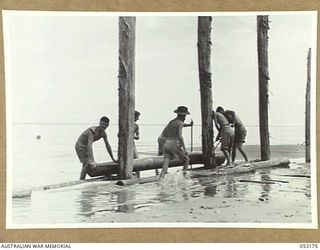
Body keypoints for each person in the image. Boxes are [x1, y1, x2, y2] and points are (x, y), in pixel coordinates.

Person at [159, 106, 190, 180]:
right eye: (185, 115)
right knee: (186, 159)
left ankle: (160, 181)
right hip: (174, 143)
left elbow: (165, 133)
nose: (185, 117)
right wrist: (185, 149)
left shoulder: (172, 122)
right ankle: (184, 178)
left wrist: (189, 125)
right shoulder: (180, 123)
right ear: (182, 115)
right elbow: (180, 136)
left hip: (167, 143)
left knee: (165, 165)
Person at [133, 111, 141, 178]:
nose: (138, 119)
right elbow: (119, 135)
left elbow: (138, 137)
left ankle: (138, 177)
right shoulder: (126, 124)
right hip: (125, 145)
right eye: (137, 117)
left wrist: (131, 136)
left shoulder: (136, 126)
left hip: (132, 144)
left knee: (137, 161)